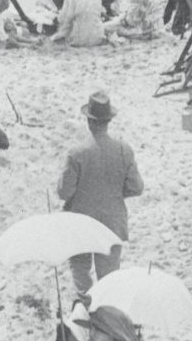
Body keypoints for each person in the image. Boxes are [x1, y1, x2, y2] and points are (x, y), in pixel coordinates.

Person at [57, 93, 144, 293]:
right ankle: (106, 315)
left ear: (88, 120)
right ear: (109, 121)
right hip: (112, 221)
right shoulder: (124, 150)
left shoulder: (77, 153)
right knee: (110, 277)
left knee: (81, 272)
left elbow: (63, 192)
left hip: (81, 222)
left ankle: (86, 309)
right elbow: (136, 187)